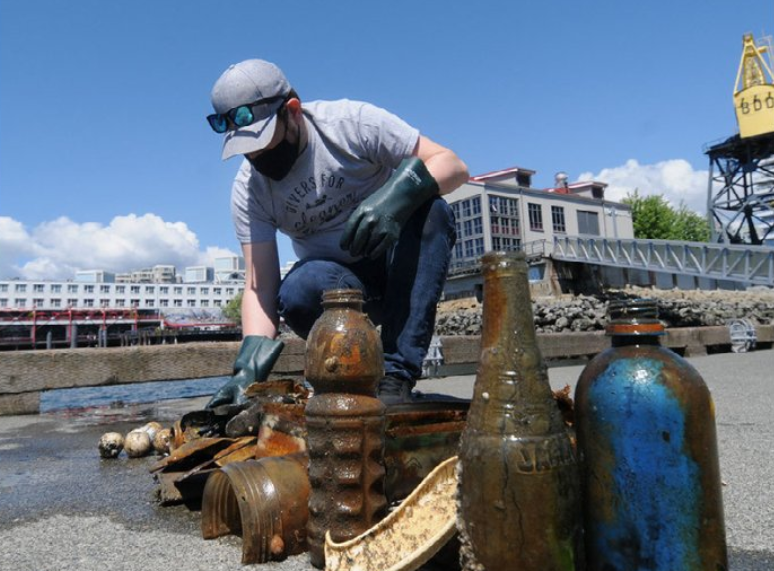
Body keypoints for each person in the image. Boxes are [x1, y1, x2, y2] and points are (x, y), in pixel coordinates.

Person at [205, 59, 468, 408]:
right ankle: (352, 375)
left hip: (399, 264)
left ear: (293, 111)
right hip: (340, 287)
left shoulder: (349, 124)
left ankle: (396, 377)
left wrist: (394, 201)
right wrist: (247, 371)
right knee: (296, 290)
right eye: (247, 149)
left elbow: (452, 165)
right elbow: (260, 284)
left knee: (432, 211)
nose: (257, 156)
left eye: (264, 142)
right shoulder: (250, 190)